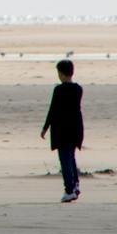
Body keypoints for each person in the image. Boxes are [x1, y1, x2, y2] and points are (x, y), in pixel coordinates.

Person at [40, 58, 83, 203]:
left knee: (65, 160)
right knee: (71, 157)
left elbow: (53, 110)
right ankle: (75, 185)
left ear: (62, 74)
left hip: (62, 129)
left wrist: (45, 127)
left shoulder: (59, 90)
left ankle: (69, 190)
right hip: (75, 128)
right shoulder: (78, 89)